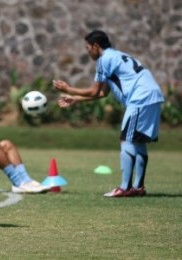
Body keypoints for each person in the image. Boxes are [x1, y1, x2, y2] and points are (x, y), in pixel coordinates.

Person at [53, 30, 164, 198]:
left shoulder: (104, 59)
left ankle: (125, 188)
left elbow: (93, 90)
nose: (87, 51)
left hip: (140, 98)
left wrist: (68, 89)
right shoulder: (115, 56)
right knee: (139, 141)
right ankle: (138, 187)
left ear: (96, 46)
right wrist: (75, 99)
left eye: (88, 47)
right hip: (152, 96)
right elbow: (102, 93)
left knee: (127, 140)